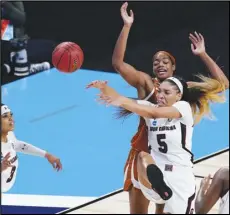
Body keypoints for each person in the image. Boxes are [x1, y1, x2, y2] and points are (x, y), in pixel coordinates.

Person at [111, 2, 229, 214]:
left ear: (174, 67)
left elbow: (222, 84)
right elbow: (118, 64)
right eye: (156, 61)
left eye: (166, 60)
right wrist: (127, 25)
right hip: (144, 155)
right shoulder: (147, 85)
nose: (160, 63)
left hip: (169, 159)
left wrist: (203, 54)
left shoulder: (183, 91)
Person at [86, 75, 225, 214]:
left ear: (178, 95)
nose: (160, 95)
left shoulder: (183, 107)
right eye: (159, 91)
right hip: (157, 173)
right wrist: (104, 88)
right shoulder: (149, 107)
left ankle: (162, 190)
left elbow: (154, 113)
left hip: (179, 176)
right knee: (142, 157)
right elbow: (121, 98)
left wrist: (121, 101)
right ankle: (159, 188)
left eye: (166, 92)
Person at [1, 104, 62, 193]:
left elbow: (18, 145)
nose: (11, 119)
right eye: (5, 116)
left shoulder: (9, 135)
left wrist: (46, 155)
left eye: (11, 115)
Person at [1, 1, 51, 78]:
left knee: (50, 46)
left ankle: (16, 67)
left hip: (14, 42)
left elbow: (21, 19)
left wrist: (4, 4)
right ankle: (23, 67)